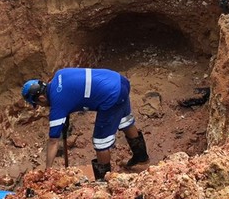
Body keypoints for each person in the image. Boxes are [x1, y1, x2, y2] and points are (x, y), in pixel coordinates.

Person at [21, 68, 149, 181]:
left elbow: (53, 141)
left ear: (42, 98)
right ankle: (141, 158)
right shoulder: (59, 74)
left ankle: (103, 181)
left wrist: (47, 171)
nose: (42, 107)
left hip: (111, 95)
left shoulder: (58, 104)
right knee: (124, 121)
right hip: (119, 81)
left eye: (38, 104)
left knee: (100, 142)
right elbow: (72, 92)